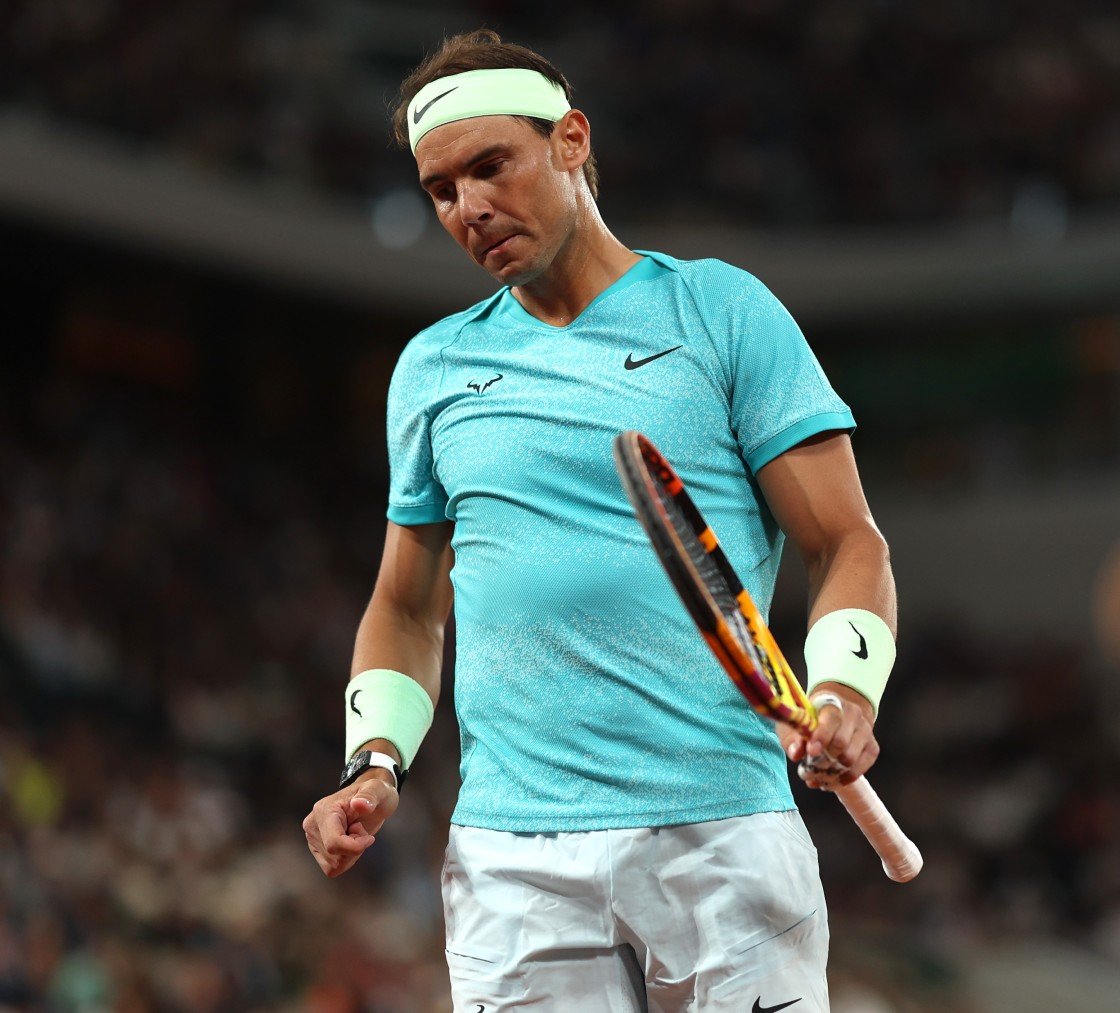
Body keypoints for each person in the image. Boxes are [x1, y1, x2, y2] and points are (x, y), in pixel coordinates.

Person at [301, 30, 901, 1012]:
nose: (470, 207)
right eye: (441, 189)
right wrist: (373, 763)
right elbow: (405, 608)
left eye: (492, 165)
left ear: (571, 141)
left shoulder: (721, 311)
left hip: (724, 836)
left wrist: (846, 687)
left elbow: (848, 540)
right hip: (511, 859)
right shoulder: (432, 372)